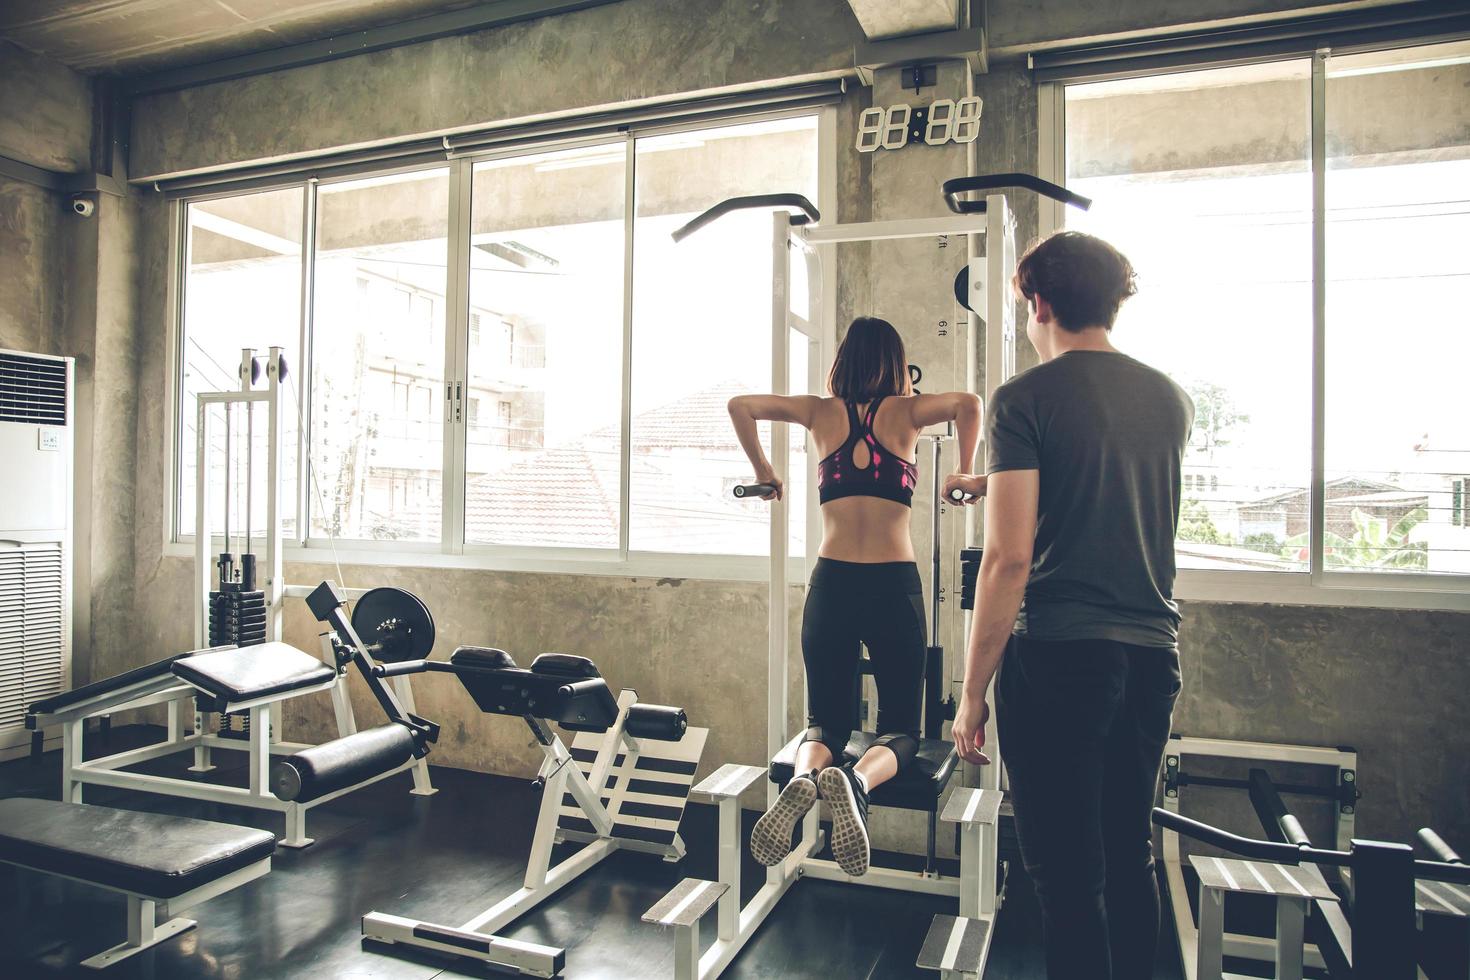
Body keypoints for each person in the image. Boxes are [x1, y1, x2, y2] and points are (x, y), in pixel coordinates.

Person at [946, 231, 1194, 980]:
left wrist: (971, 693)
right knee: (1129, 857)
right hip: (1152, 655)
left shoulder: (1024, 398)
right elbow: (1107, 492)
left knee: (1064, 874)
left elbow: (1009, 557)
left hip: (1059, 657)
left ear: (1039, 303)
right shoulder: (1169, 397)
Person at [728, 316, 981, 877]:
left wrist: (766, 473)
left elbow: (739, 405)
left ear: (843, 360)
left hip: (833, 582)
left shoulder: (820, 412)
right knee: (900, 727)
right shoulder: (906, 413)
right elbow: (969, 402)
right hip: (893, 583)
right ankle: (858, 782)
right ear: (895, 362)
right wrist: (963, 471)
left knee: (826, 722)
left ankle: (804, 778)